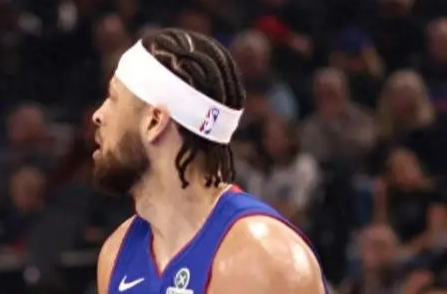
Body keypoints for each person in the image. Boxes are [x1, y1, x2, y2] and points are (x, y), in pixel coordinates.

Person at [93, 29, 327, 294]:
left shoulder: (266, 259)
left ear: (155, 122)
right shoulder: (115, 254)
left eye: (113, 98)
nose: (98, 115)